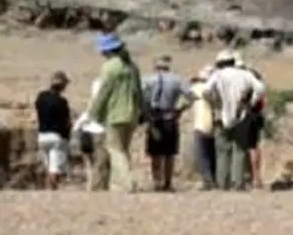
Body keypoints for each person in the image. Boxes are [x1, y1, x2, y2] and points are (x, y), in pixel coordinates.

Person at [86, 32, 145, 192]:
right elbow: (139, 92)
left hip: (115, 113)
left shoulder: (110, 67)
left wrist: (93, 113)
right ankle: (118, 184)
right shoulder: (132, 66)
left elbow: (104, 92)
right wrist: (143, 111)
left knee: (115, 149)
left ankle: (127, 182)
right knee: (123, 149)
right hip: (132, 114)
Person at [203, 50, 265, 190]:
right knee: (240, 149)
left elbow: (206, 91)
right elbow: (260, 88)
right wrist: (251, 102)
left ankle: (223, 183)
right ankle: (238, 183)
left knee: (222, 151)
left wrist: (215, 103)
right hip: (241, 115)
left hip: (222, 115)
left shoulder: (217, 75)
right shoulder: (245, 74)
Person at [142, 55, 191, 192]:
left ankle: (157, 181)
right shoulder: (177, 80)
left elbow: (140, 97)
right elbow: (191, 96)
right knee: (169, 153)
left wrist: (145, 113)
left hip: (154, 117)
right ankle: (167, 182)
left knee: (155, 153)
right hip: (170, 116)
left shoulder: (147, 80)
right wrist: (179, 109)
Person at [34, 71, 73, 189]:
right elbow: (66, 122)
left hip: (42, 136)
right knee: (55, 170)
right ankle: (51, 190)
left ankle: (49, 189)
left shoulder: (41, 97)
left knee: (49, 167)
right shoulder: (61, 101)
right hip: (57, 137)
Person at [236, 55, 267, 189]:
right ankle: (256, 177)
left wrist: (245, 104)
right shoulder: (256, 77)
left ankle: (253, 177)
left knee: (248, 147)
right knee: (254, 146)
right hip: (257, 114)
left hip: (247, 115)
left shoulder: (245, 80)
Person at [72, 76, 108, 190]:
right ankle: (97, 187)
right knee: (100, 163)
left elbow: (82, 120)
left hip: (87, 133)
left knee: (91, 164)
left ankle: (92, 186)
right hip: (100, 133)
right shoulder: (102, 102)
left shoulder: (92, 102)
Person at [188, 65, 217, 189]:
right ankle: (216, 178)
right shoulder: (215, 88)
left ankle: (207, 180)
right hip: (215, 124)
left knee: (202, 154)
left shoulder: (196, 88)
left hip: (200, 124)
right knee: (213, 153)